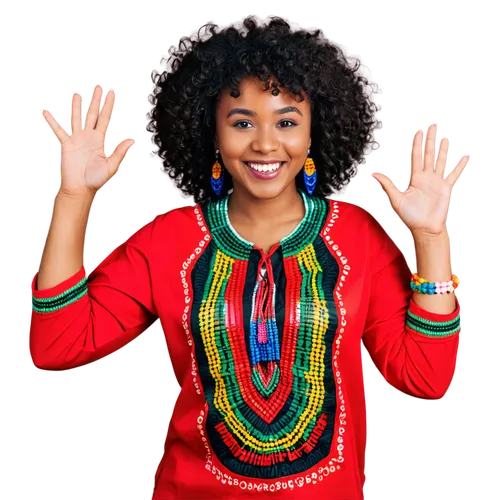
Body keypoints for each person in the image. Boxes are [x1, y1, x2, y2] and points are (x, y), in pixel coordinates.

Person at [27, 14, 465, 499]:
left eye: (286, 122)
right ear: (212, 132)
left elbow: (426, 378)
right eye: (241, 123)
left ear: (314, 131)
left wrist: (429, 236)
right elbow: (56, 345)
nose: (265, 143)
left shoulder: (358, 236)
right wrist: (73, 198)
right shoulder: (166, 241)